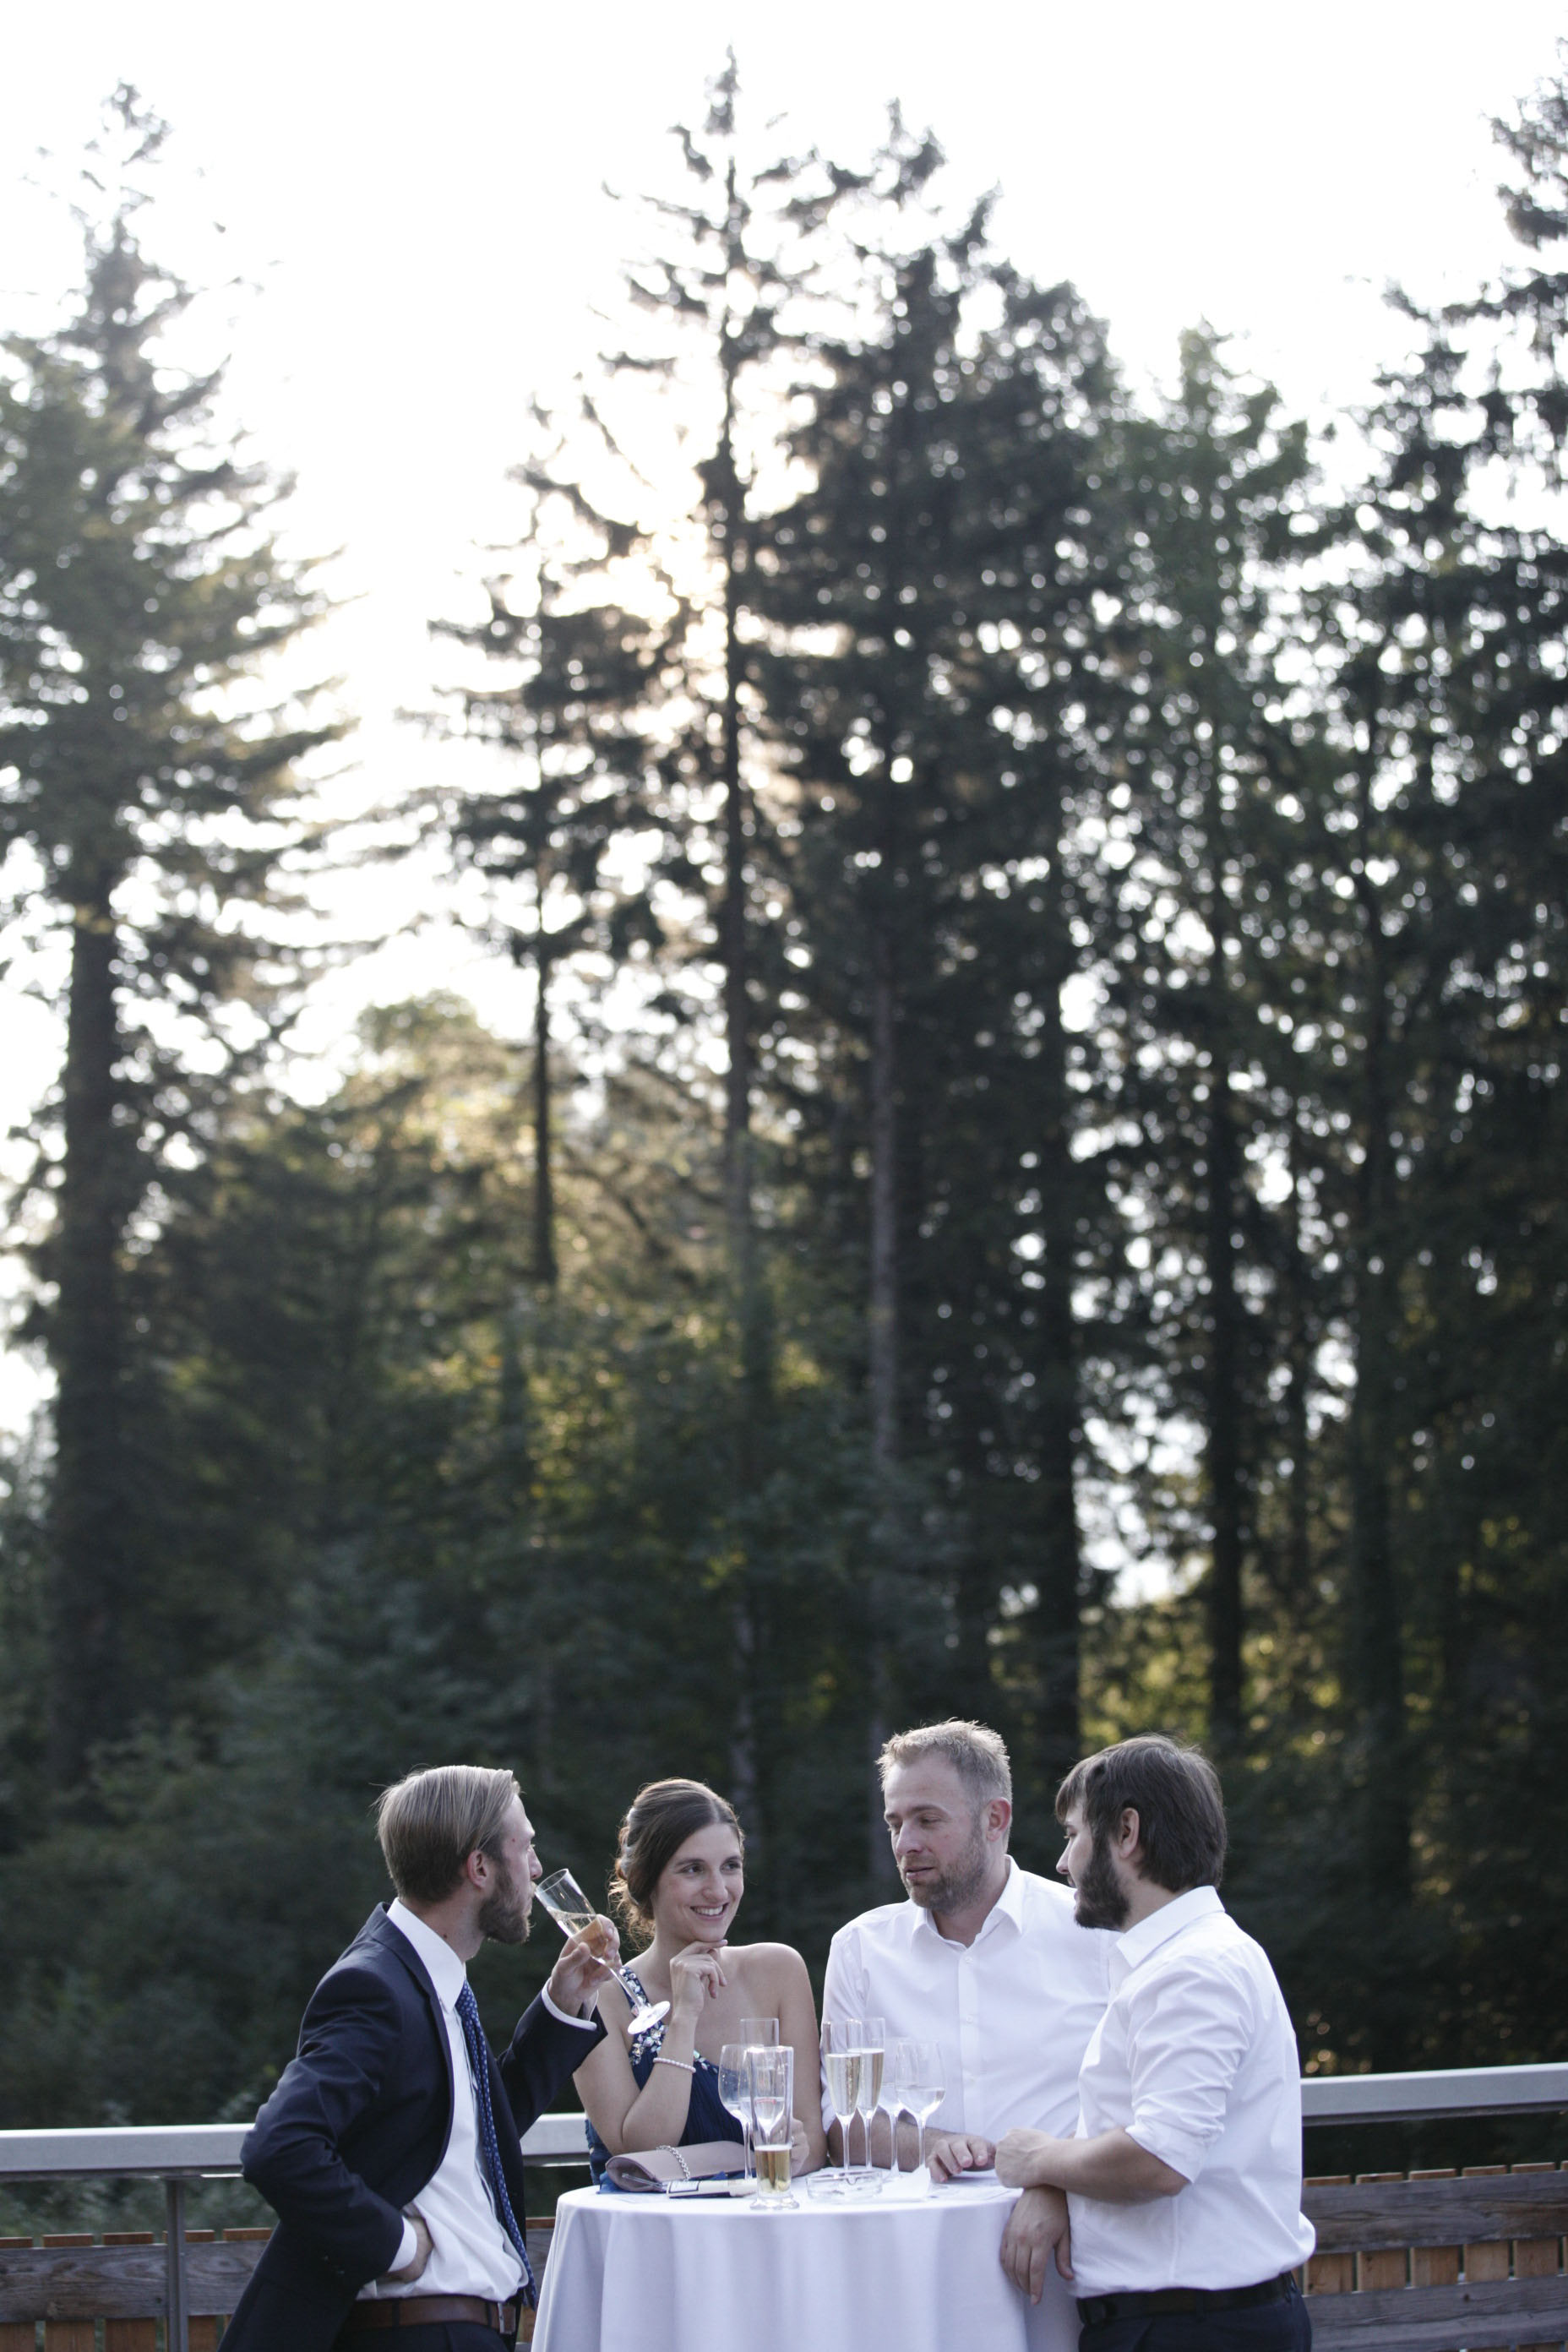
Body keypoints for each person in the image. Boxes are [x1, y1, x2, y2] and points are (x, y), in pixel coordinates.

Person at [223, 1764, 618, 2352]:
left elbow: (478, 2132)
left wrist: (563, 2007)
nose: (537, 1869)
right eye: (526, 1848)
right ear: (479, 1867)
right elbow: (278, 2147)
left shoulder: (429, 1982)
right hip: (422, 2331)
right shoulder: (375, 1988)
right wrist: (397, 2246)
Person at [994, 1734, 1315, 2352]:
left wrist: (1040, 2160)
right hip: (1193, 2323)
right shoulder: (1189, 1958)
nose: (1062, 1863)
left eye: (1073, 1834)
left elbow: (1159, 2160)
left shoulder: (1193, 1970)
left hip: (1192, 2329)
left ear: (1127, 1832)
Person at [821, 1720, 1111, 2342]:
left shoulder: (1095, 1933)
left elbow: (1132, 2098)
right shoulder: (860, 1950)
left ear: (995, 1819)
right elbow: (841, 2122)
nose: (906, 1844)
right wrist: (929, 2143)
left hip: (1072, 2272)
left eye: (928, 1820)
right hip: (913, 2282)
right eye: (895, 1823)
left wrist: (1058, 2185)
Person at [574, 1777, 826, 2177]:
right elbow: (641, 2156)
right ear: (644, 1879)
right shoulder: (598, 1996)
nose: (719, 1891)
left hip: (762, 2212)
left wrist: (792, 2153)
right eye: (693, 1870)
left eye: (730, 1867)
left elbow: (812, 2147)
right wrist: (684, 2018)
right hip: (647, 2218)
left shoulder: (779, 1971)